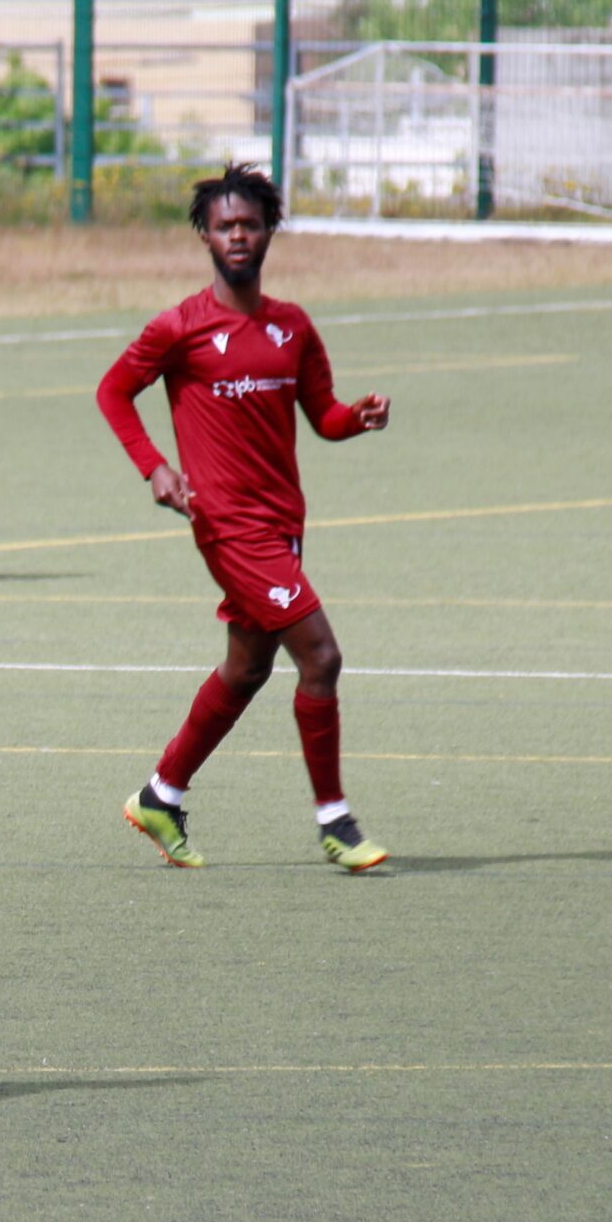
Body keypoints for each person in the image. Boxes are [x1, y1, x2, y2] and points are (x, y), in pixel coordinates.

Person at [95, 164, 393, 874]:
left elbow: (319, 416)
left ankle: (159, 795)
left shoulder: (292, 327)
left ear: (268, 233)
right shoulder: (181, 327)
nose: (238, 235)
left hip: (282, 520)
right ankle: (336, 821)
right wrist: (155, 467)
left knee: (249, 665)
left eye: (250, 224)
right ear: (204, 234)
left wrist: (355, 418)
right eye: (225, 225)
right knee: (321, 656)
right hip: (227, 526)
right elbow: (113, 391)